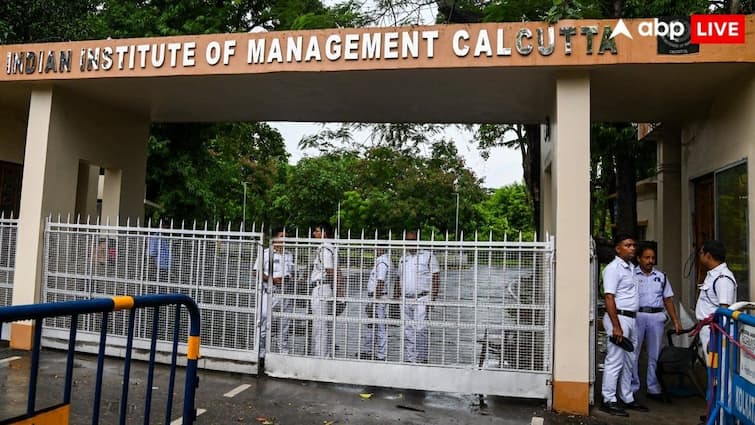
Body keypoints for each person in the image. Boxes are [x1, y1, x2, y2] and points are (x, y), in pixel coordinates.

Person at [600, 233, 648, 417]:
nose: (632, 248)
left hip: (631, 319)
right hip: (619, 318)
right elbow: (609, 297)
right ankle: (608, 399)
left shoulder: (631, 268)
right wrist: (616, 326)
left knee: (629, 361)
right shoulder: (613, 269)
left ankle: (626, 397)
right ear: (617, 248)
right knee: (615, 360)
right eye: (627, 245)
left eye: (633, 245)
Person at [631, 244, 682, 401]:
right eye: (647, 257)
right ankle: (632, 387)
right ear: (639, 258)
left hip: (656, 317)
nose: (650, 261)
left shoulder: (661, 276)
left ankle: (653, 387)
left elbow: (668, 300)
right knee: (633, 353)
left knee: (654, 354)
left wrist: (676, 321)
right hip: (638, 316)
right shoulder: (631, 275)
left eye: (652, 258)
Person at [394, 230, 439, 364]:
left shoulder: (428, 256)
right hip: (405, 298)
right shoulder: (403, 258)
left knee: (420, 329)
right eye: (407, 241)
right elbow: (398, 278)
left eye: (412, 240)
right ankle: (411, 359)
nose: (410, 243)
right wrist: (395, 298)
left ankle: (421, 359)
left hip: (422, 298)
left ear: (419, 241)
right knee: (408, 330)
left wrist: (432, 299)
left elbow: (436, 277)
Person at [254, 229, 295, 359]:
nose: (285, 239)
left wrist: (291, 278)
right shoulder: (265, 253)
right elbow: (256, 272)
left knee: (284, 325)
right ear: (275, 239)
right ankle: (261, 354)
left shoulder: (289, 255)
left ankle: (283, 354)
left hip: (285, 294)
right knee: (264, 323)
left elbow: (293, 272)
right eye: (282, 236)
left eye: (286, 237)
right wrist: (272, 279)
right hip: (269, 293)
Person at [695, 240, 737, 361]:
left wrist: (715, 339)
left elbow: (725, 311)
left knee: (719, 368)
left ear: (708, 255)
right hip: (708, 330)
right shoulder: (713, 275)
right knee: (712, 367)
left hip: (716, 333)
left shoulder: (723, 278)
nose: (699, 256)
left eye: (701, 253)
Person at [360, 247, 393, 361]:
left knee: (380, 327)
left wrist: (374, 302)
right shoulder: (380, 260)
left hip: (378, 297)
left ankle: (381, 355)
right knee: (371, 325)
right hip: (375, 296)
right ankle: (368, 351)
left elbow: (380, 282)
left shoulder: (383, 262)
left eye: (377, 247)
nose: (374, 249)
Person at [310, 223, 337, 357]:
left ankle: (322, 357)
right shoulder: (326, 247)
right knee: (320, 324)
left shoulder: (325, 248)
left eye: (317, 231)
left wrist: (332, 288)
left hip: (322, 288)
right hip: (322, 287)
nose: (314, 234)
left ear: (324, 233)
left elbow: (329, 270)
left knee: (321, 326)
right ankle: (320, 354)